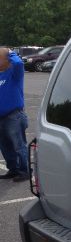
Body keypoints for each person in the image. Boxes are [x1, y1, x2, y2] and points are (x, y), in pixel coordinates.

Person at [0, 47, 29, 182]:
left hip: (14, 116)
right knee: (5, 147)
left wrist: (10, 52)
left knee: (19, 146)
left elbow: (18, 63)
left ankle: (25, 171)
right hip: (1, 117)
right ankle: (13, 169)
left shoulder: (14, 73)